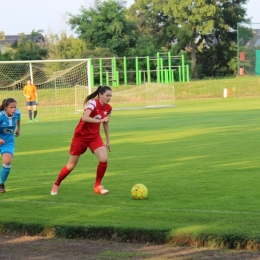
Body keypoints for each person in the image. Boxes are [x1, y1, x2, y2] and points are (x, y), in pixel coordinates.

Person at [51, 86, 112, 196]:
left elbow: (106, 123)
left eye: (110, 96)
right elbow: (85, 118)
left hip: (94, 137)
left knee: (104, 158)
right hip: (80, 137)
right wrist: (100, 121)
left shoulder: (108, 108)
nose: (109, 98)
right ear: (100, 95)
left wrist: (108, 140)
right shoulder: (93, 103)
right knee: (70, 166)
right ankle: (56, 184)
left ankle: (97, 185)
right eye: (107, 95)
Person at [0, 98, 21, 193]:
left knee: (7, 162)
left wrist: (18, 129)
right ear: (5, 108)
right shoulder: (0, 116)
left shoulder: (17, 113)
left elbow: (18, 119)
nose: (13, 109)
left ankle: (1, 183)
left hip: (8, 141)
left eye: (15, 107)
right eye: (11, 107)